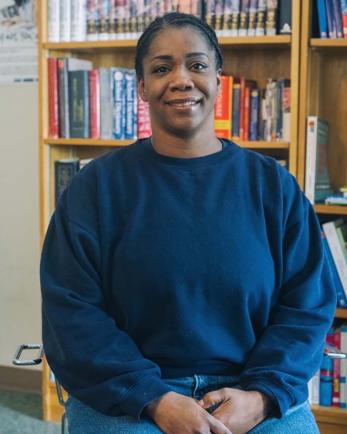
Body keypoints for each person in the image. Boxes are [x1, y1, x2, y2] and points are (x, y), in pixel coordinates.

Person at [41, 12, 336, 434]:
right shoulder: (94, 189)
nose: (181, 79)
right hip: (130, 394)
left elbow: (307, 303)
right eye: (162, 69)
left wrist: (262, 396)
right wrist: (154, 399)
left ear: (218, 79)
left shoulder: (273, 186)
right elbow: (72, 311)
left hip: (252, 389)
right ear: (142, 87)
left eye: (197, 65)